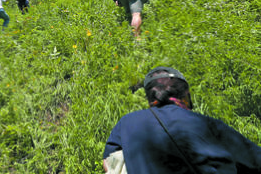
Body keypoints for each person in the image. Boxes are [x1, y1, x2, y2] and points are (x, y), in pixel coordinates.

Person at [103, 66, 261, 173]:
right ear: (185, 95)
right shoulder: (205, 124)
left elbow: (109, 164)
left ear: (150, 98)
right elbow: (255, 159)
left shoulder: (127, 123)